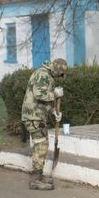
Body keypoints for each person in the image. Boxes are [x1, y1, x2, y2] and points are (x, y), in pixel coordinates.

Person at [21, 58, 67, 190]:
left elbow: (44, 102)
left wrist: (54, 112)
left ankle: (39, 175)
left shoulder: (47, 75)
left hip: (37, 115)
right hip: (33, 116)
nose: (60, 77)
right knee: (41, 144)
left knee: (42, 143)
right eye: (60, 74)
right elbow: (39, 94)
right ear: (57, 70)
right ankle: (36, 180)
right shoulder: (43, 74)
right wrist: (55, 94)